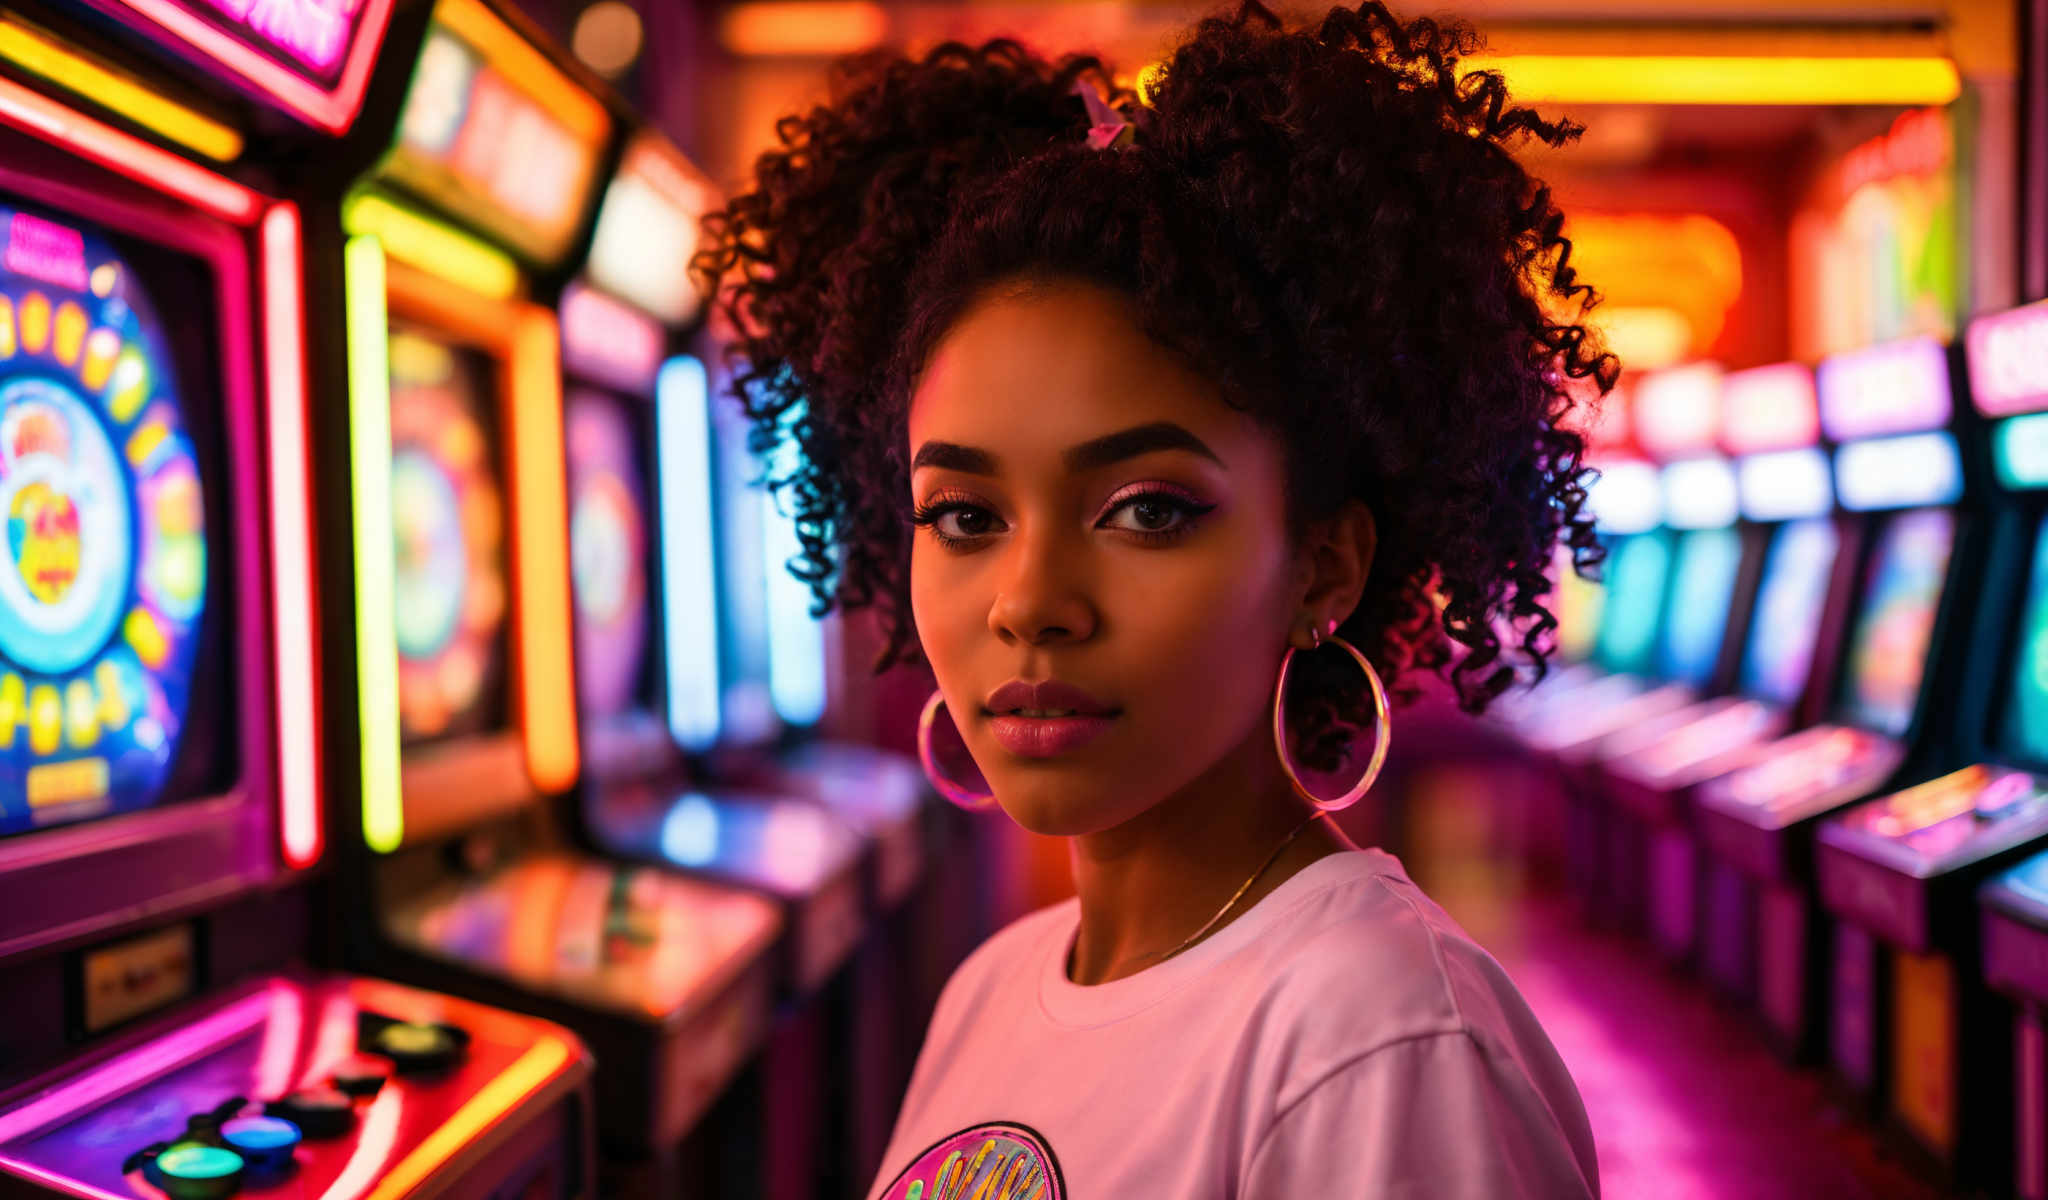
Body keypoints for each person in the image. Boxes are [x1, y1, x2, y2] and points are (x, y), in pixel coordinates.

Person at [696, 1, 1612, 1194]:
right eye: (964, 517)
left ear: (1322, 564)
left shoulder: (1376, 1034)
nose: (1029, 603)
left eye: (1146, 510)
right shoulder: (993, 986)